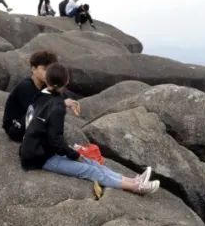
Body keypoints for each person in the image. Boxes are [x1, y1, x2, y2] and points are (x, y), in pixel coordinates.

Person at [19, 63, 159, 194]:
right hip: (40, 157)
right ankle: (136, 187)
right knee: (90, 170)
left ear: (47, 80)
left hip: (38, 147)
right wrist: (74, 154)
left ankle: (133, 180)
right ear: (66, 82)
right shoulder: (57, 108)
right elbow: (55, 140)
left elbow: (47, 106)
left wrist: (63, 102)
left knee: (91, 162)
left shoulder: (40, 95)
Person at [2, 50, 81, 141]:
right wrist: (62, 103)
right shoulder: (25, 86)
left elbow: (58, 97)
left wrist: (71, 102)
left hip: (30, 124)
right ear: (33, 69)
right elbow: (37, 110)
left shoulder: (46, 85)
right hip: (15, 127)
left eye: (50, 69)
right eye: (44, 69)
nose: (48, 73)